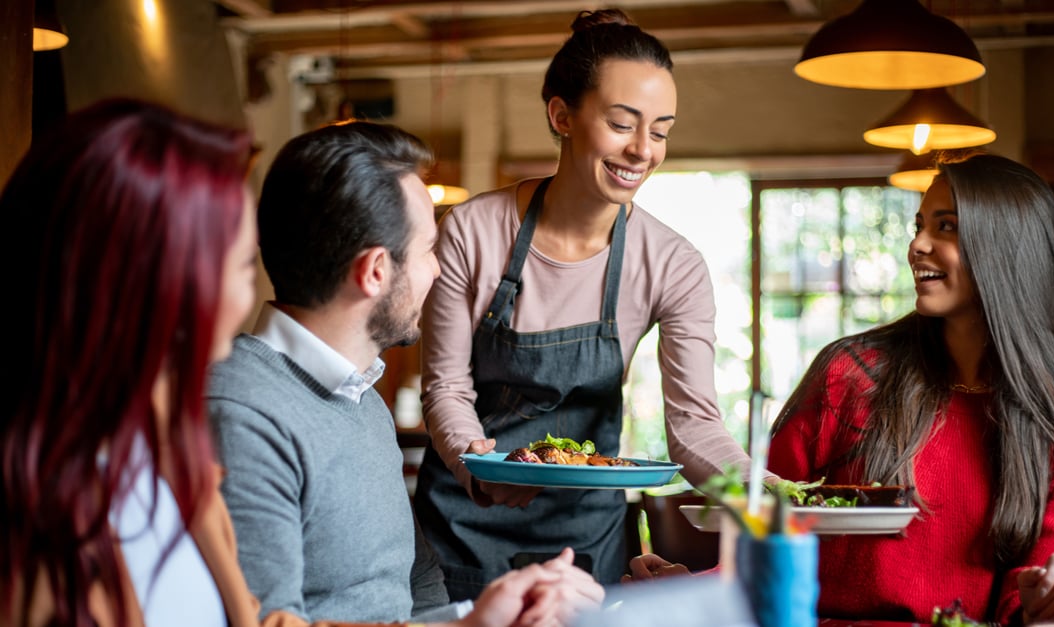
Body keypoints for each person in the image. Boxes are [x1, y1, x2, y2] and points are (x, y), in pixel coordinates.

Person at [414, 8, 756, 599]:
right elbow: (445, 386)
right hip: (465, 524)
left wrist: (763, 488)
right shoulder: (473, 229)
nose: (642, 150)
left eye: (661, 130)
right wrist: (480, 470)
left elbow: (695, 425)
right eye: (623, 124)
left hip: (587, 538)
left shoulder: (672, 262)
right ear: (562, 115)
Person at [206, 120, 603, 627]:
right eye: (428, 251)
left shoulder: (362, 399)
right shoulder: (241, 414)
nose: (437, 271)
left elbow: (418, 583)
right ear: (375, 271)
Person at [766, 153, 1054, 624]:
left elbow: (1048, 588)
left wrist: (1052, 601)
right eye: (919, 225)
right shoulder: (848, 374)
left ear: (1006, 248)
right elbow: (762, 516)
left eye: (946, 226)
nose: (917, 245)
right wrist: (689, 580)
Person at [0, 98, 263, 625]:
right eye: (245, 266)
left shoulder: (175, 466)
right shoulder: (30, 526)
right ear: (165, 290)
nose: (250, 295)